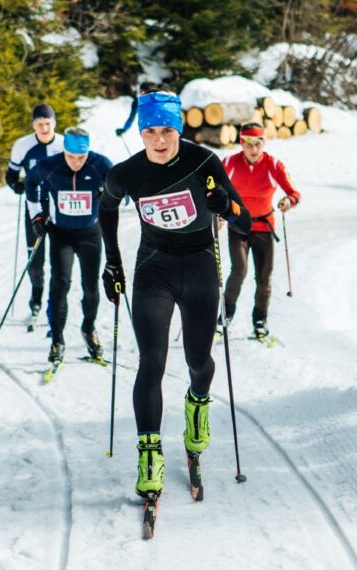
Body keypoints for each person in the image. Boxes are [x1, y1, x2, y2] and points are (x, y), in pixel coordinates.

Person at [99, 90, 251, 500]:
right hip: (154, 269)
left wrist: (225, 206)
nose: (159, 140)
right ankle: (150, 456)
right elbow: (106, 208)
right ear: (141, 133)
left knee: (199, 362)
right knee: (152, 360)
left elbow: (245, 223)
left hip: (200, 267)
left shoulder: (203, 162)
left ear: (178, 129)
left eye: (167, 130)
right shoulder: (127, 173)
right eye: (149, 131)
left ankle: (197, 405)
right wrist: (112, 263)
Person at [26, 127, 113, 365]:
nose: (76, 163)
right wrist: (36, 217)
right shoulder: (51, 165)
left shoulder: (100, 164)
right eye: (71, 157)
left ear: (88, 153)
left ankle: (89, 329)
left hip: (90, 234)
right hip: (61, 234)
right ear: (64, 151)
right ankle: (57, 339)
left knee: (90, 286)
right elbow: (31, 184)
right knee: (60, 283)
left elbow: (123, 191)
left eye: (81, 158)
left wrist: (110, 196)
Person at [221, 122, 301, 339]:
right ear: (241, 144)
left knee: (263, 278)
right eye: (248, 145)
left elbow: (293, 193)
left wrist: (287, 201)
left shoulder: (274, 165)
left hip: (263, 227)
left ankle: (260, 321)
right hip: (237, 225)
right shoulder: (229, 162)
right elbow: (212, 188)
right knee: (239, 270)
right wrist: (218, 212)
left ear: (264, 143)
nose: (253, 150)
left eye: (258, 144)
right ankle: (225, 316)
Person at [5, 104, 64, 321]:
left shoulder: (64, 144)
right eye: (40, 124)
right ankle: (36, 297)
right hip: (34, 206)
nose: (44, 128)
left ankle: (55, 300)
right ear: (34, 126)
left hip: (59, 207)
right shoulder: (22, 145)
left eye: (47, 123)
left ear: (54, 124)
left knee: (59, 257)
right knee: (35, 259)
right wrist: (17, 185)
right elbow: (11, 175)